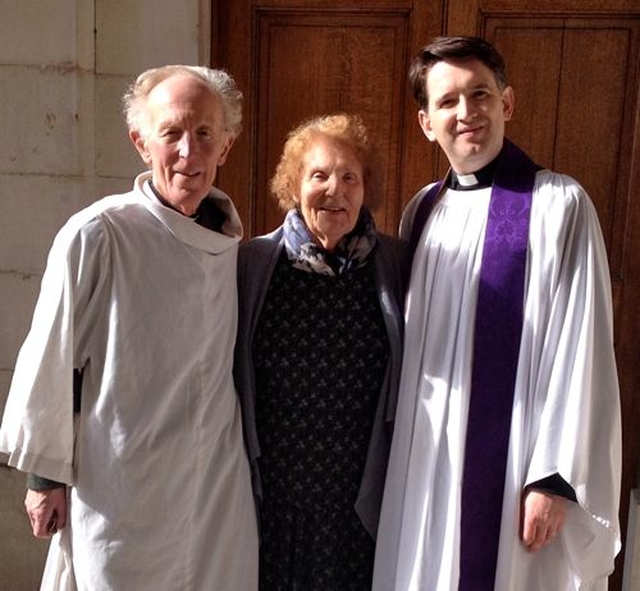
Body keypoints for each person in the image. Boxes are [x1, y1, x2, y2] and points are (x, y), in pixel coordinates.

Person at [373, 36, 622, 591]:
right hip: (426, 463)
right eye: (447, 102)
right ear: (425, 122)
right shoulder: (424, 209)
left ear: (506, 103)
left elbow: (581, 347)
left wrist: (554, 479)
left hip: (515, 469)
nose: (466, 114)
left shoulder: (560, 204)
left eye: (479, 94)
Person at [0, 65, 258, 590]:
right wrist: (44, 479)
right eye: (172, 133)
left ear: (226, 146)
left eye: (205, 134)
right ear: (142, 143)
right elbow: (54, 355)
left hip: (213, 489)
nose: (190, 151)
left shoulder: (236, 249)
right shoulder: (99, 234)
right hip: (121, 485)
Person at [234, 113, 406, 589]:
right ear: (293, 186)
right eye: (319, 175)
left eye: (350, 176)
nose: (336, 189)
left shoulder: (396, 265)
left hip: (361, 501)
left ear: (366, 187)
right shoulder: (252, 264)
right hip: (276, 501)